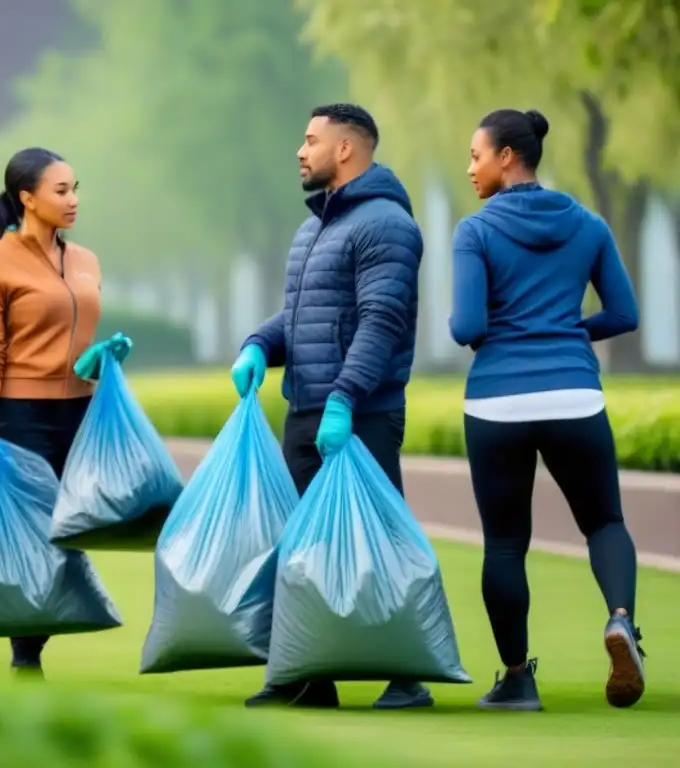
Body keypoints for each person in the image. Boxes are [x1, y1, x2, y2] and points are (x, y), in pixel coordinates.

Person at [231, 104, 429, 711]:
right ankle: (309, 676)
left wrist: (344, 399)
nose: (300, 150)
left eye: (311, 139)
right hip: (306, 409)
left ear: (347, 149)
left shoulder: (385, 225)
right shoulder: (316, 226)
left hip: (360, 413)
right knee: (304, 550)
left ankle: (408, 676)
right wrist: (260, 345)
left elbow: (381, 321)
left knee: (380, 546)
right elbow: (304, 316)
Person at [450, 109, 644, 711]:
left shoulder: (475, 231)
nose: (470, 168)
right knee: (604, 523)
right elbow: (624, 314)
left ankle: (517, 679)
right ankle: (619, 622)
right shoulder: (587, 225)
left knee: (505, 544)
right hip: (574, 395)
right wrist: (566, 331)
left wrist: (509, 336)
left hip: (497, 400)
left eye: (477, 156)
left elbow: (467, 326)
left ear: (508, 156)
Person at [0, 147, 131, 677]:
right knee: (18, 539)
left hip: (79, 415)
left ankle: (26, 655)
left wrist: (98, 359)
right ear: (27, 198)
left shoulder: (85, 260)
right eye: (61, 191)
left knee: (61, 536)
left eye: (75, 187)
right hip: (19, 414)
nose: (73, 199)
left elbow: (75, 335)